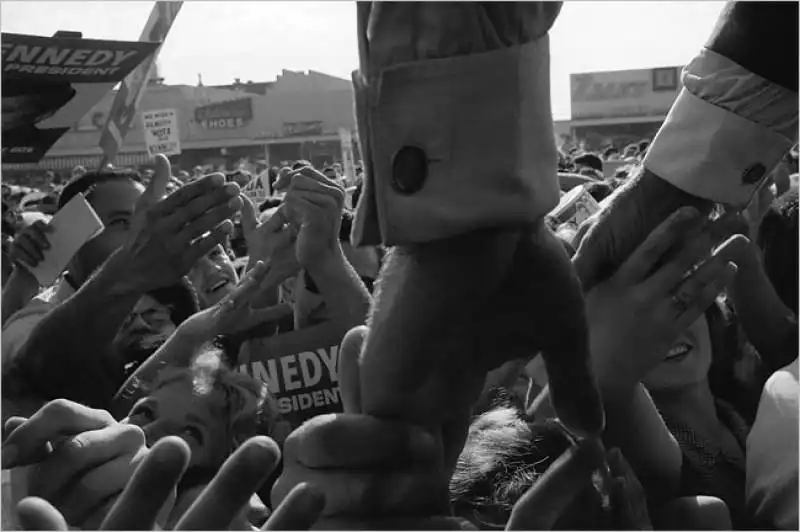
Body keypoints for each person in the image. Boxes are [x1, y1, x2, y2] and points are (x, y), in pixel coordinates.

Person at [2, 155, 242, 418]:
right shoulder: (30, 325)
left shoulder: (177, 300)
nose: (142, 232)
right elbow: (28, 381)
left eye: (148, 218)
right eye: (121, 222)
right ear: (70, 234)